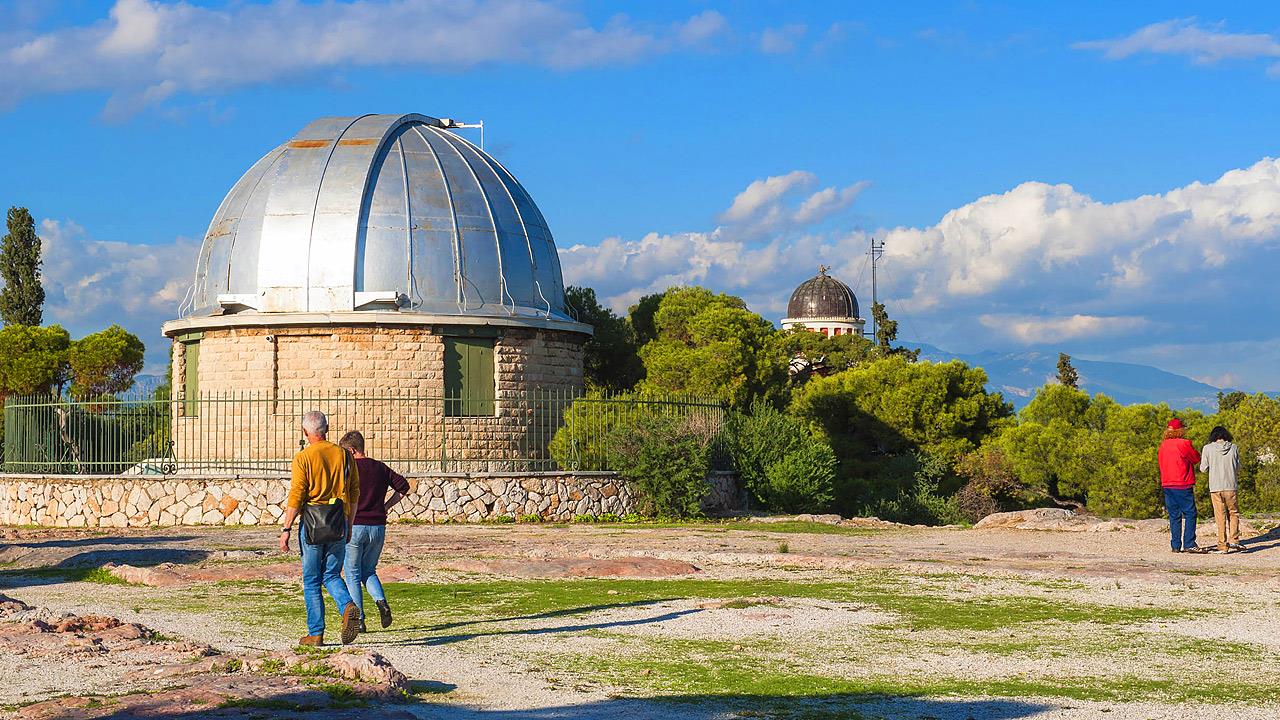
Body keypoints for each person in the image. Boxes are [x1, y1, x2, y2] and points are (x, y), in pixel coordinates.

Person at [279, 410, 362, 646]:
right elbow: (354, 491)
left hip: (313, 523)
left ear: (305, 432)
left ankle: (316, 633)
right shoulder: (344, 456)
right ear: (327, 429)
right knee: (332, 574)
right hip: (338, 521)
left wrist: (286, 529)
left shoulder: (303, 457)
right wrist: (350, 523)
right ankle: (347, 606)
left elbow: (297, 494)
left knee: (312, 579)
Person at [337, 430, 410, 632]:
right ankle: (381, 601)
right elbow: (403, 486)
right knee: (368, 570)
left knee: (351, 573)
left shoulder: (348, 469)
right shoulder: (380, 468)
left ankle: (359, 619)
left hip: (355, 526)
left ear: (352, 450)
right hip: (378, 527)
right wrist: (386, 506)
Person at [1158, 418, 1203, 554]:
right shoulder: (1184, 444)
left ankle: (1175, 545)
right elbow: (1195, 458)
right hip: (1182, 482)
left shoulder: (1163, 445)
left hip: (1167, 483)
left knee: (1174, 515)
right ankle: (1189, 543)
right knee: (1190, 513)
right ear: (1181, 430)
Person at [1200, 425, 1243, 553]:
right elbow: (1238, 467)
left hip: (1215, 487)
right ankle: (1234, 540)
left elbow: (1203, 468)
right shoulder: (1234, 447)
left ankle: (1222, 545)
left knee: (1220, 516)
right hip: (1231, 486)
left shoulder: (1207, 448)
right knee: (1233, 513)